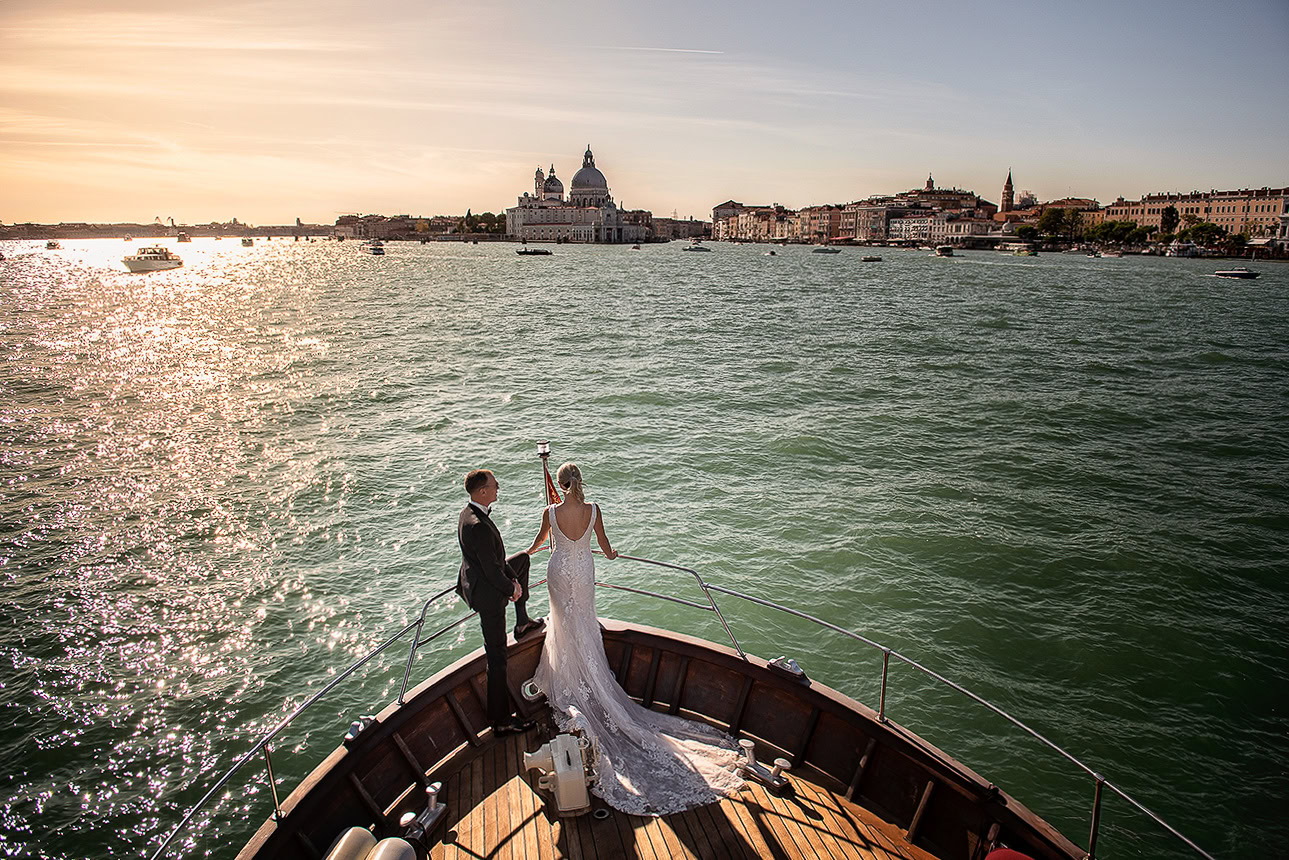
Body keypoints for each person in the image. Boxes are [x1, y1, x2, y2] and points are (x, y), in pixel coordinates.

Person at [524, 462, 745, 815]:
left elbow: (539, 542)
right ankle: (591, 678)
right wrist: (610, 555)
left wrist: (532, 551)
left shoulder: (550, 511)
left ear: (560, 484)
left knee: (563, 624)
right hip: (583, 571)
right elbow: (604, 545)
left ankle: (570, 680)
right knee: (583, 623)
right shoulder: (594, 509)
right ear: (580, 482)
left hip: (558, 570)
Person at [457, 468, 544, 735]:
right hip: (486, 595)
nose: (498, 488)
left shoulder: (468, 514)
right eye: (495, 485)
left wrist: (513, 581)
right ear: (482, 492)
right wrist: (511, 588)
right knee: (497, 656)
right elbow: (491, 571)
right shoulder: (477, 526)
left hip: (485, 578)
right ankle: (501, 720)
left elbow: (494, 562)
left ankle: (521, 622)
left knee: (523, 560)